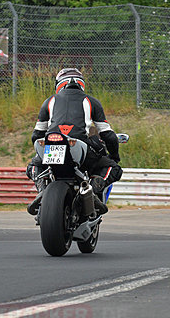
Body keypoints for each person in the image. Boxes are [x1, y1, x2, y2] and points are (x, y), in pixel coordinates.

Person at [25, 68, 122, 216]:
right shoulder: (91, 101)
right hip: (78, 147)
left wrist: (41, 155)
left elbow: (36, 135)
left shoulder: (49, 101)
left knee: (32, 166)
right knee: (114, 168)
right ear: (81, 84)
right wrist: (114, 156)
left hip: (50, 145)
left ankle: (42, 189)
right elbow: (108, 135)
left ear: (59, 84)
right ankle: (93, 191)